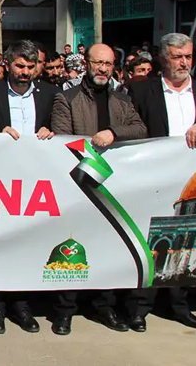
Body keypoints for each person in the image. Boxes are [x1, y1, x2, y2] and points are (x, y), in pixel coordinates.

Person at [127, 33, 196, 332]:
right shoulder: (141, 90)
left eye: (188, 56)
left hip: (191, 182)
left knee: (183, 246)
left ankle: (179, 305)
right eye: (177, 57)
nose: (184, 62)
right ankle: (139, 307)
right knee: (150, 244)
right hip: (152, 179)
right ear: (162, 58)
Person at [50, 43, 147, 336]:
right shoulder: (67, 98)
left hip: (113, 185)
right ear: (86, 64)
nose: (102, 69)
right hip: (79, 180)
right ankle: (65, 310)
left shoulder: (122, 99)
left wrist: (114, 133)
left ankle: (104, 306)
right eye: (97, 63)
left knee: (108, 245)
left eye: (108, 64)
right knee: (72, 246)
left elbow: (140, 129)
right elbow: (62, 137)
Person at [0, 40, 59, 334]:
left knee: (27, 244)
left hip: (35, 182)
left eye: (30, 66)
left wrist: (52, 131)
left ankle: (22, 305)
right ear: (8, 64)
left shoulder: (50, 94)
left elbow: (62, 128)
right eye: (19, 66)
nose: (25, 72)